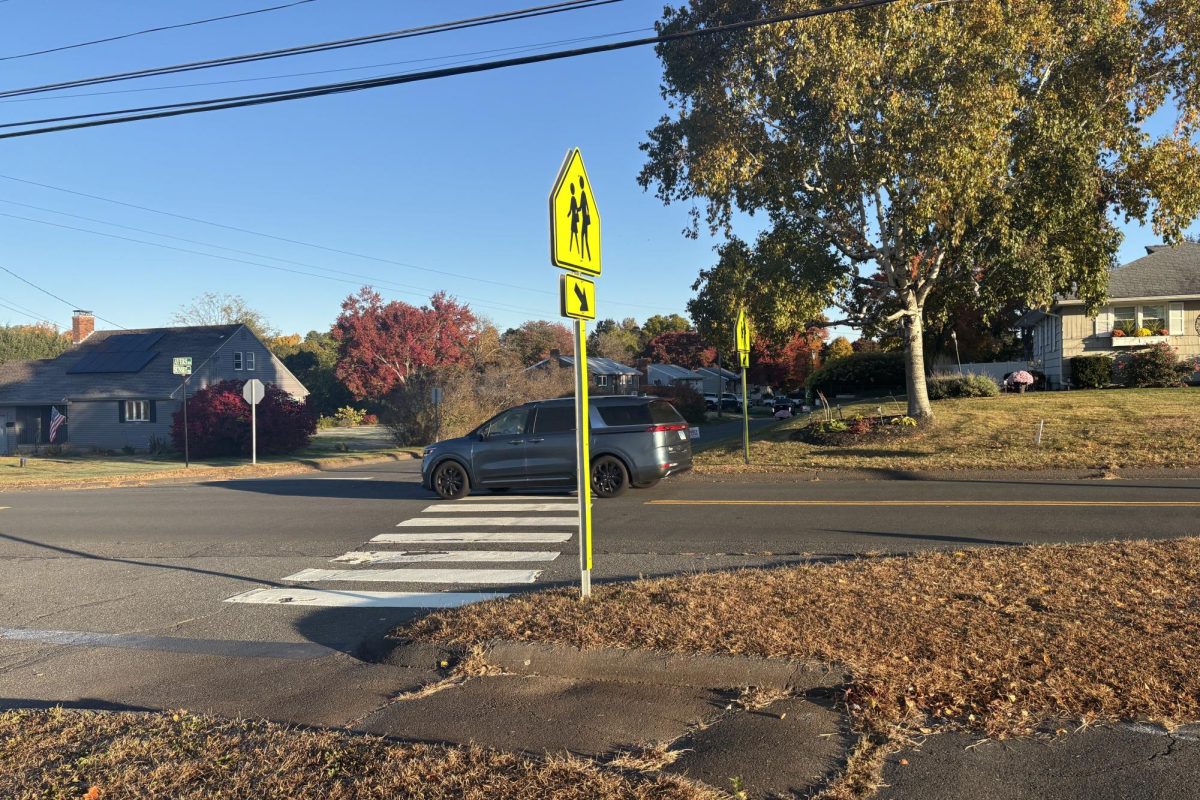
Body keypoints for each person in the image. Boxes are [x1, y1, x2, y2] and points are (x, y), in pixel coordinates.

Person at [578, 177, 592, 260]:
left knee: (583, 237)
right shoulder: (583, 194)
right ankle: (587, 257)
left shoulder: (583, 194)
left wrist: (577, 209)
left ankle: (584, 256)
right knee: (584, 238)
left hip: (584, 220)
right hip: (585, 219)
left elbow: (584, 206)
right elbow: (585, 206)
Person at [567, 183, 581, 255]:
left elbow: (573, 208)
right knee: (573, 233)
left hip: (574, 218)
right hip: (574, 218)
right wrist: (569, 214)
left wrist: (579, 208)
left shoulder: (573, 199)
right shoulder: (573, 199)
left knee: (574, 233)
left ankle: (574, 249)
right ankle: (572, 249)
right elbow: (572, 208)